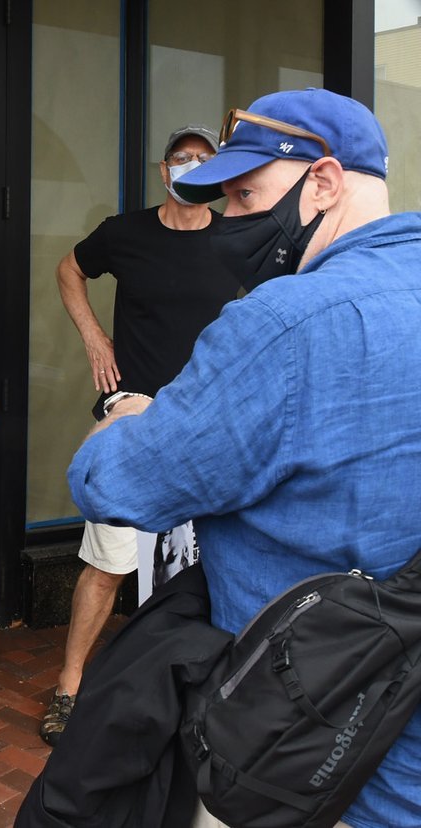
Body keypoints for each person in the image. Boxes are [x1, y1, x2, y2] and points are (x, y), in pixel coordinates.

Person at [68, 87, 418, 827]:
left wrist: (130, 416)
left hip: (304, 765)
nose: (228, 220)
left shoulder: (282, 321)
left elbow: (116, 484)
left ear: (324, 182)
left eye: (246, 194)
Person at [42, 125, 239, 745]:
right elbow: (69, 269)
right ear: (163, 169)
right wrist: (94, 338)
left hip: (204, 423)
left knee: (203, 563)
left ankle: (193, 691)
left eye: (205, 159)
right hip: (132, 414)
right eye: (182, 158)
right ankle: (70, 686)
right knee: (109, 561)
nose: (192, 166)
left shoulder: (237, 238)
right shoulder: (124, 233)